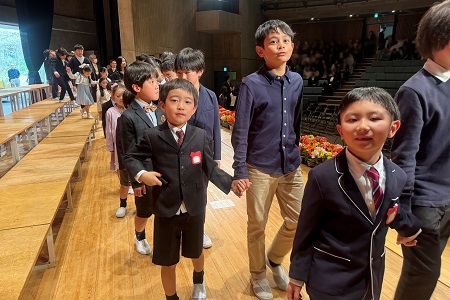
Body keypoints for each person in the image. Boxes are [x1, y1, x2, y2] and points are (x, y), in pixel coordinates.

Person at [287, 87, 422, 300]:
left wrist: (407, 227)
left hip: (372, 278)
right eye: (352, 119)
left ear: (393, 128)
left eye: (374, 118)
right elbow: (306, 231)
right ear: (340, 131)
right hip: (330, 280)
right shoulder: (322, 176)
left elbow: (400, 213)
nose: (362, 126)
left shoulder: (398, 176)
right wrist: (296, 276)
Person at [124, 78, 243, 300]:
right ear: (162, 104)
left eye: (188, 102)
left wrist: (232, 182)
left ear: (194, 108)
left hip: (195, 207)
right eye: (174, 100)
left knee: (196, 250)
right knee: (167, 260)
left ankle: (199, 280)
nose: (181, 106)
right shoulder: (152, 136)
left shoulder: (200, 135)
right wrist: (142, 175)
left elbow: (209, 167)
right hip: (165, 208)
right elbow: (130, 156)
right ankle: (172, 296)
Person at [231, 19, 304, 300]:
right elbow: (241, 129)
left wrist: (295, 149)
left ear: (292, 46)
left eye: (285, 40)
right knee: (257, 224)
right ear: (261, 50)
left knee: (298, 220)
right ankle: (258, 274)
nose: (281, 45)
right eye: (273, 41)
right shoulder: (251, 83)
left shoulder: (297, 81)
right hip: (259, 167)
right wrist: (240, 170)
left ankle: (274, 259)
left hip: (291, 165)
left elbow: (296, 122)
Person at [391, 2, 450, 299]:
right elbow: (403, 157)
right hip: (425, 203)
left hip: (448, 195)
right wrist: (404, 213)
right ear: (440, 38)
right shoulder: (415, 90)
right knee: (423, 277)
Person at [174, 47, 221, 250]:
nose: (183, 77)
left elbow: (216, 128)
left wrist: (217, 156)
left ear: (200, 71)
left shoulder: (210, 96)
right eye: (180, 72)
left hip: (204, 156)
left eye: (188, 72)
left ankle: (198, 231)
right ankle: (180, 231)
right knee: (179, 195)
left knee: (200, 195)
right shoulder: (172, 95)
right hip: (178, 155)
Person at [120, 61, 164, 255]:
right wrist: (136, 182)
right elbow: (128, 152)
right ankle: (140, 236)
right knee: (144, 211)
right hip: (144, 174)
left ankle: (165, 238)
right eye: (151, 82)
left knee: (164, 209)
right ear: (137, 88)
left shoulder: (160, 110)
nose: (157, 85)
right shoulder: (128, 117)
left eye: (157, 81)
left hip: (164, 171)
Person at [105, 83, 132, 217]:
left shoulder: (132, 110)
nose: (121, 98)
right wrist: (110, 147)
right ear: (113, 97)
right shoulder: (110, 112)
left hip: (133, 149)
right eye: (118, 96)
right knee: (123, 177)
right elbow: (109, 131)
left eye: (123, 95)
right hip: (119, 147)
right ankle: (122, 204)